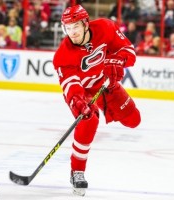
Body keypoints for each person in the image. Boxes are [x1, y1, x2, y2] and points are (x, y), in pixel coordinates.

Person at [53, 4, 141, 196]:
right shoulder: (62, 55)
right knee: (88, 119)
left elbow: (130, 53)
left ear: (86, 23)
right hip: (82, 92)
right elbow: (71, 85)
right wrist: (78, 102)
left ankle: (112, 110)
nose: (72, 32)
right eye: (68, 28)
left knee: (134, 120)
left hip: (105, 84)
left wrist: (116, 62)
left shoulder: (105, 27)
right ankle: (77, 171)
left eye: (75, 26)